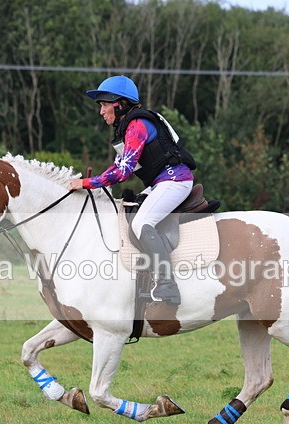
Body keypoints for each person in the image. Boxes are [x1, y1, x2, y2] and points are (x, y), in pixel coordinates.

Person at [69, 75, 197, 305]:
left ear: (120, 105)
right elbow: (117, 167)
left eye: (104, 105)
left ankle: (167, 285)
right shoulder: (128, 127)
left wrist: (87, 183)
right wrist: (91, 182)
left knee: (141, 223)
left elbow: (123, 172)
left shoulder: (137, 125)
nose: (101, 112)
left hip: (174, 180)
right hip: (162, 183)